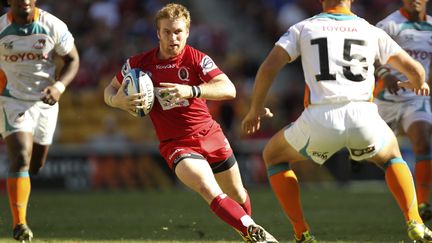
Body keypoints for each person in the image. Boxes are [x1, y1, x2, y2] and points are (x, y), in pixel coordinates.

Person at [241, 0, 431, 242]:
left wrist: (255, 108)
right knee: (392, 157)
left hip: (321, 118)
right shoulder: (370, 30)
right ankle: (414, 220)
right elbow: (415, 70)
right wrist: (419, 83)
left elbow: (269, 67)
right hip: (363, 116)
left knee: (274, 156)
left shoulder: (303, 28)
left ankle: (302, 233)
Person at [104, 3, 277, 243]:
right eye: (167, 32)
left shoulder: (197, 58)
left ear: (187, 32)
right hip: (176, 145)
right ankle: (252, 231)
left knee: (237, 194)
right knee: (208, 188)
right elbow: (109, 89)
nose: (173, 37)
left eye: (178, 32)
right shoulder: (138, 64)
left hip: (210, 135)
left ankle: (248, 229)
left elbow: (229, 89)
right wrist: (117, 100)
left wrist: (191, 90)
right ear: (157, 33)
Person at [0, 0, 80, 242]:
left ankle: (24, 184)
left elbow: (72, 60)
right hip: (12, 100)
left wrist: (59, 86)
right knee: (21, 156)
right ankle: (20, 225)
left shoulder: (52, 25)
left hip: (46, 102)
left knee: (35, 165)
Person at [374, 0, 432, 221]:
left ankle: (424, 203)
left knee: (423, 142)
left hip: (415, 98)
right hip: (385, 99)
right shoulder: (389, 25)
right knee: (370, 151)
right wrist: (384, 74)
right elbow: (368, 53)